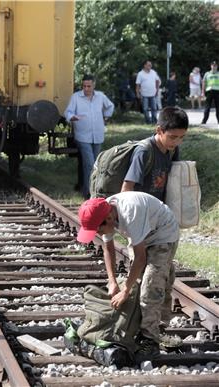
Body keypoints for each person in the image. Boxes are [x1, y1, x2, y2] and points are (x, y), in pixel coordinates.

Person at [76, 192, 179, 361]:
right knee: (139, 283)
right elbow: (108, 249)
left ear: (109, 219)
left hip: (163, 234)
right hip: (142, 234)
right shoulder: (104, 212)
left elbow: (140, 258)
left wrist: (124, 290)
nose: (99, 233)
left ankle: (150, 341)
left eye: (98, 229)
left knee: (150, 286)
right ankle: (145, 326)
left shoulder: (130, 213)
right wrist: (112, 281)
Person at [122, 106, 188, 202]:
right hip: (141, 210)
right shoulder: (144, 152)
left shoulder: (173, 150)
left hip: (159, 211)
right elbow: (126, 189)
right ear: (159, 130)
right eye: (173, 137)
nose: (177, 142)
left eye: (182, 137)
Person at [65, 74, 115, 199]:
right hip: (82, 136)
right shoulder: (76, 97)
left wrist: (106, 116)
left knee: (96, 163)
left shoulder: (100, 96)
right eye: (84, 86)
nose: (86, 88)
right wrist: (73, 117)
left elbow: (110, 106)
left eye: (89, 86)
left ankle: (88, 188)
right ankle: (89, 192)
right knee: (90, 163)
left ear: (94, 85)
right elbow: (68, 112)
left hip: (97, 135)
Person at [135, 60, 160, 124]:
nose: (150, 66)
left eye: (151, 65)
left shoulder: (153, 72)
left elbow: (157, 81)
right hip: (144, 94)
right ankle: (148, 121)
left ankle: (154, 121)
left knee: (154, 108)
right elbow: (138, 84)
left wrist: (157, 90)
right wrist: (137, 93)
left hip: (153, 93)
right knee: (145, 109)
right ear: (145, 65)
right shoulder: (140, 74)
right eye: (149, 65)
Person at [201, 60, 219, 125]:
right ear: (211, 66)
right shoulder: (207, 73)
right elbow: (203, 83)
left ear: (217, 66)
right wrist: (202, 92)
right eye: (213, 65)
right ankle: (204, 121)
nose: (214, 67)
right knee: (207, 107)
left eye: (215, 66)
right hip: (209, 92)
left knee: (218, 108)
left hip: (217, 92)